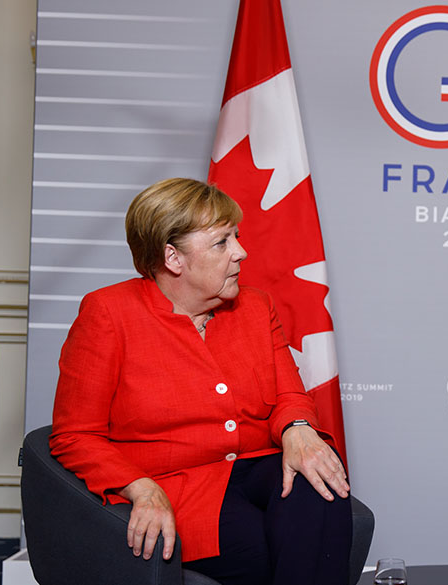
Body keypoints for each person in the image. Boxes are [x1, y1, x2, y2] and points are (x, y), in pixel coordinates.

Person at [50, 178, 352, 585]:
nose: (241, 253)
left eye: (237, 237)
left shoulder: (256, 307)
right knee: (264, 552)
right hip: (179, 488)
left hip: (256, 466)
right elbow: (75, 435)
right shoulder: (108, 314)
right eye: (222, 242)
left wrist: (299, 429)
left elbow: (289, 395)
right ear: (173, 258)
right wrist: (139, 487)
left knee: (322, 490)